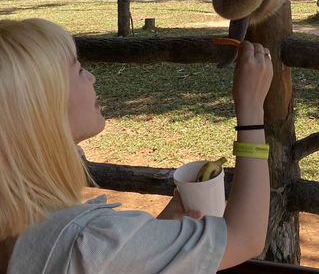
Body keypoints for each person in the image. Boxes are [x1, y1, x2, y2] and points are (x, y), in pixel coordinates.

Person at [0, 18, 273, 273]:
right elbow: (245, 237)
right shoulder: (88, 240)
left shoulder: (20, 222)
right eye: (79, 69)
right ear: (43, 108)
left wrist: (158, 231)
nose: (91, 77)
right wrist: (251, 111)